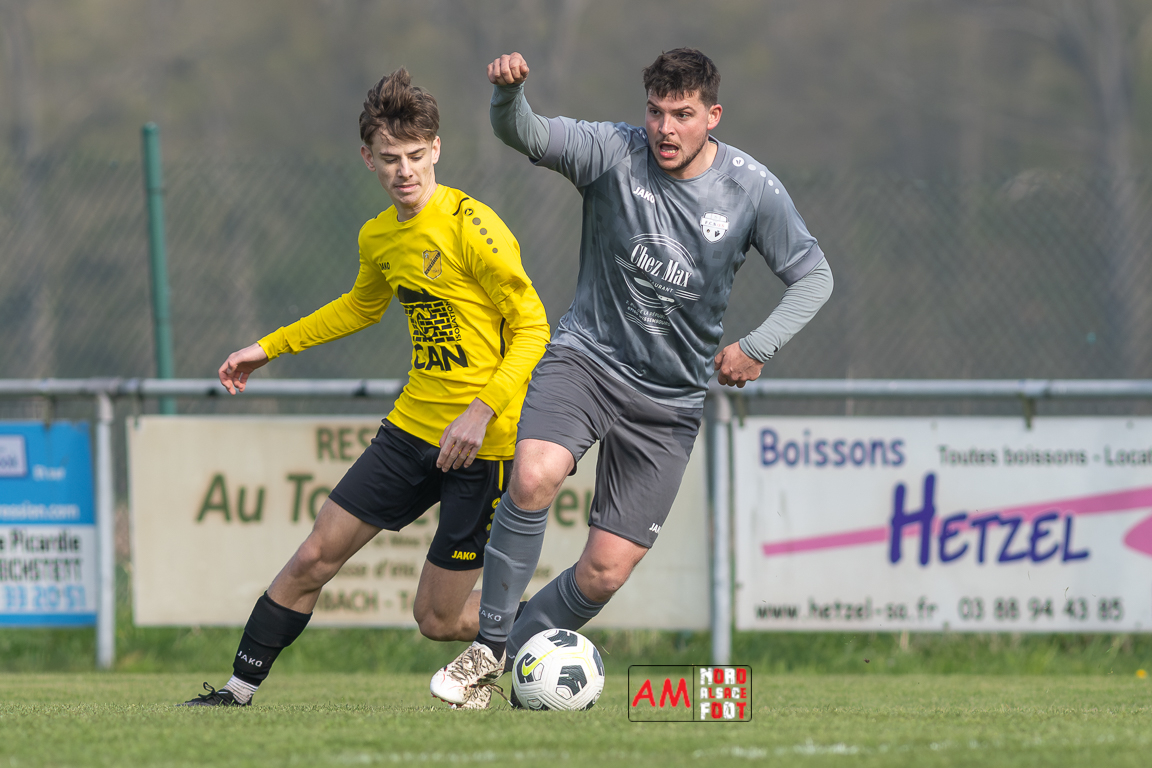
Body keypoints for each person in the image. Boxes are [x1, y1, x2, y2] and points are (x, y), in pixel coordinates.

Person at [430, 48, 833, 707]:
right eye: (655, 112)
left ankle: (508, 661)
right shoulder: (612, 152)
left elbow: (814, 277)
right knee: (533, 475)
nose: (665, 129)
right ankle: (488, 647)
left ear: (713, 116)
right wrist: (508, 96)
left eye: (682, 115)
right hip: (586, 361)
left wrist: (758, 344)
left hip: (669, 402)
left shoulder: (751, 189)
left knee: (604, 573)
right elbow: (524, 132)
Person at [180, 67, 550, 710]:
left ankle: (546, 632)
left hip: (482, 442)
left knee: (436, 619)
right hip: (410, 431)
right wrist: (267, 348)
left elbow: (533, 326)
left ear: (436, 150)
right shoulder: (378, 236)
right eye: (390, 158)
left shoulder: (473, 225)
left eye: (415, 156)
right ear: (367, 159)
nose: (404, 171)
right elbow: (358, 307)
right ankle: (235, 694)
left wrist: (481, 411)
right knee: (313, 557)